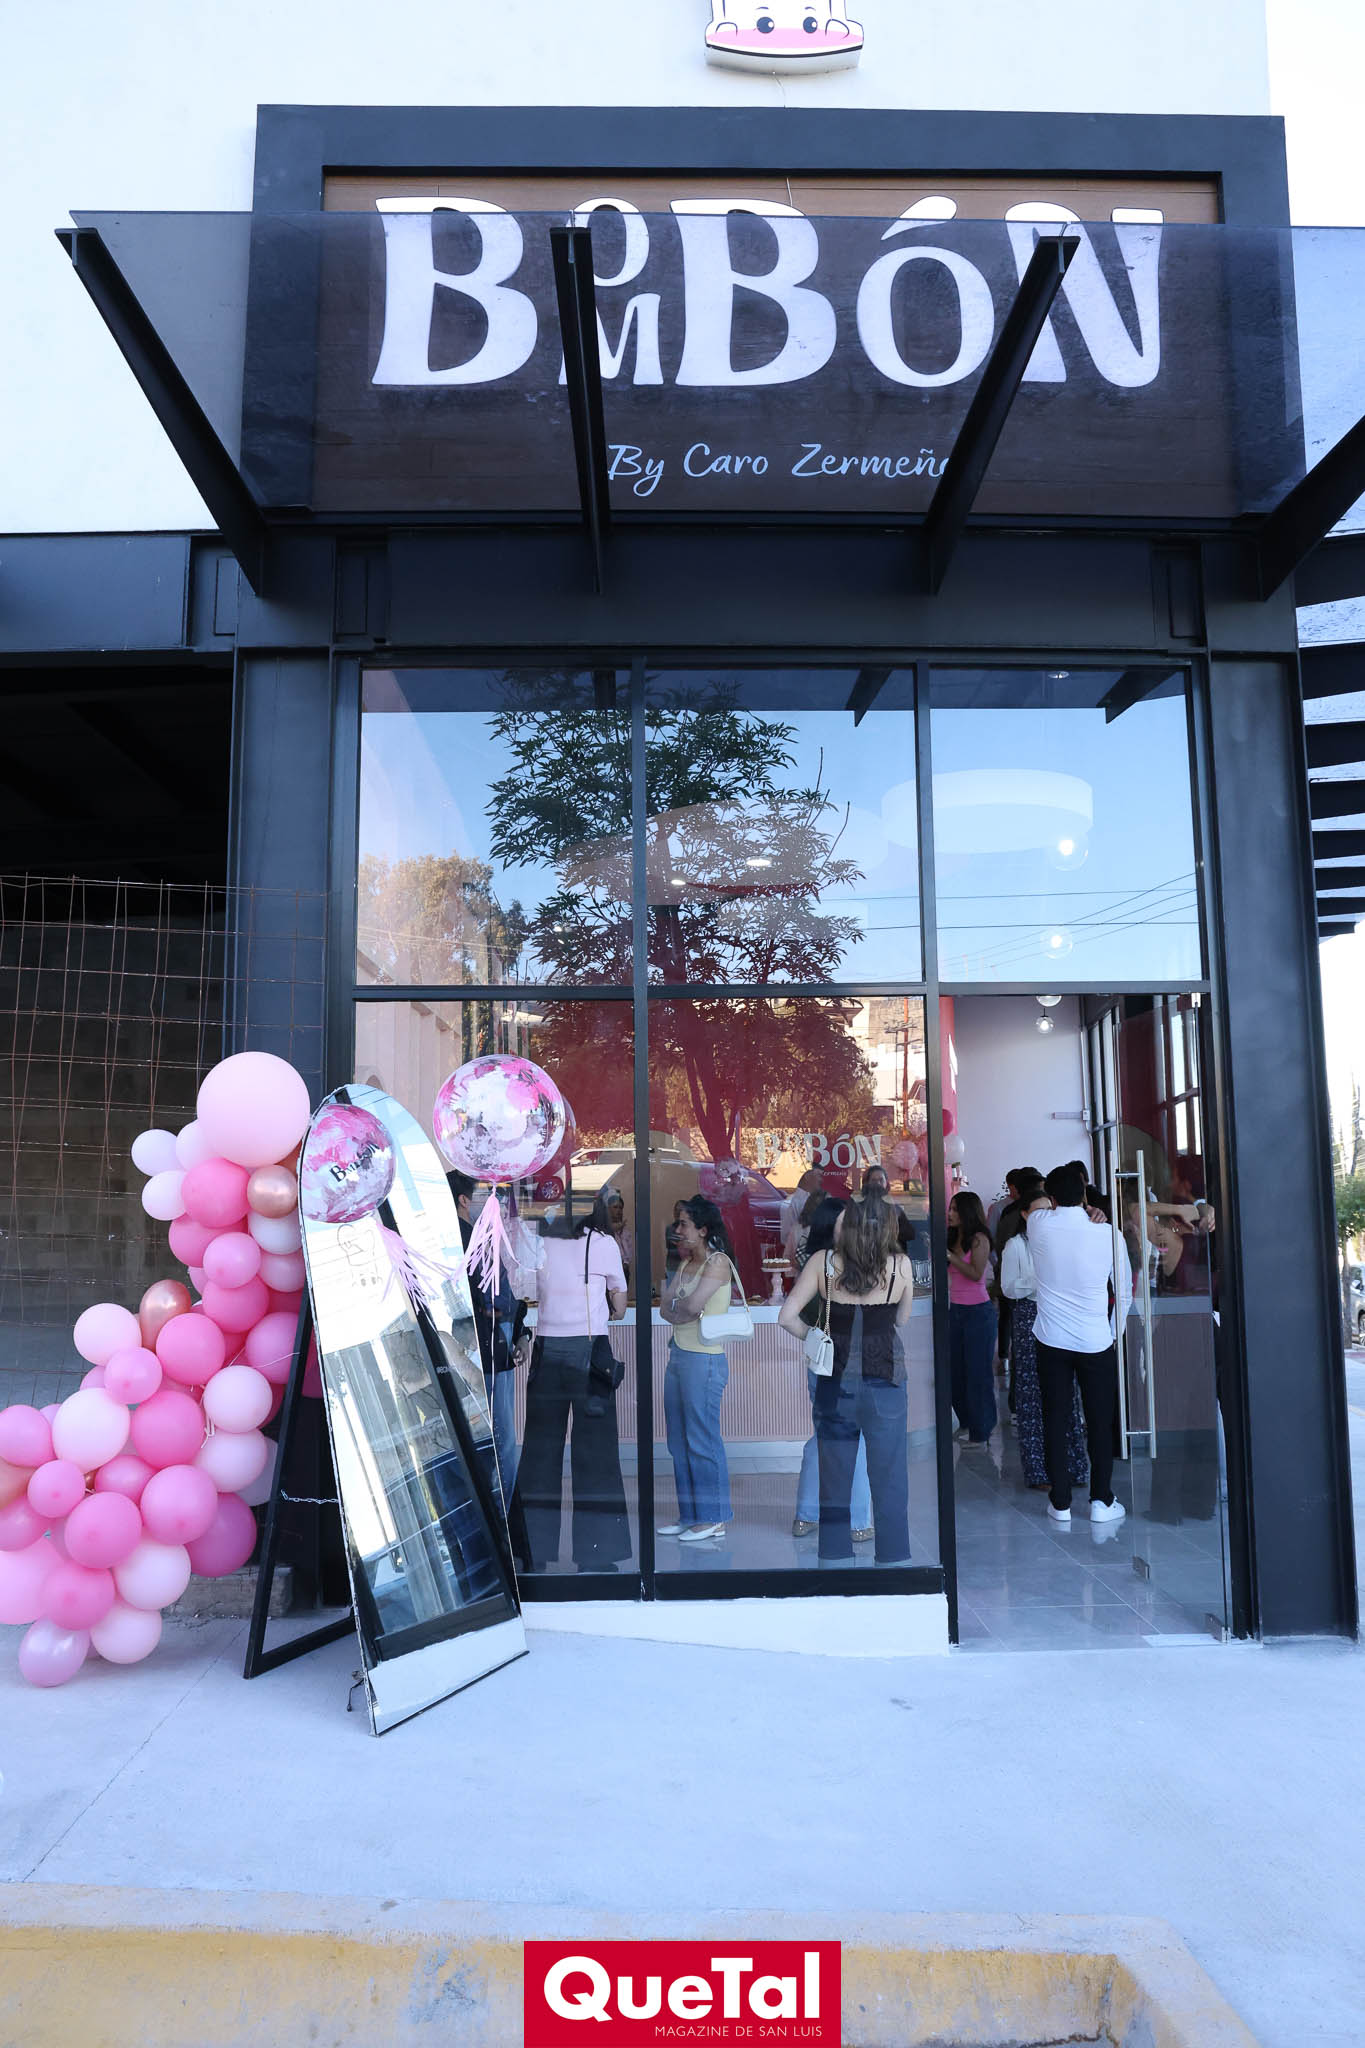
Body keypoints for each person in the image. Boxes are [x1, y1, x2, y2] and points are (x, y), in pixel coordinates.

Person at [778, 1194, 913, 1565]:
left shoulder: (823, 1262)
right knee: (889, 1476)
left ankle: (835, 1559)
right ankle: (894, 1559)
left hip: (834, 1383)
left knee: (834, 1476)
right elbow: (902, 1319)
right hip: (886, 1379)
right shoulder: (900, 1265)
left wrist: (816, 1337)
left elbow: (786, 1317)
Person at [514, 1190, 632, 1572]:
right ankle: (597, 1555)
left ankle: (533, 1553)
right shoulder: (603, 1243)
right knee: (596, 1455)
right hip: (590, 1351)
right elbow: (619, 1304)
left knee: (539, 1454)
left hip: (548, 1350)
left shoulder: (542, 1243)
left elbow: (526, 1290)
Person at [1025, 1161, 1127, 1526]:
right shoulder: (1109, 1233)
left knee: (1055, 1418)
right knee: (1099, 1421)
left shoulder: (1038, 1226)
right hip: (1095, 1340)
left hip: (1051, 1340)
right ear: (1084, 1194)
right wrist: (1111, 1333)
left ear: (1052, 1199)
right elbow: (1124, 1292)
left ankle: (1061, 1503)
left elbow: (1038, 1206)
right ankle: (1101, 1501)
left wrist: (1073, 1205)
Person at [789, 1195, 872, 1543]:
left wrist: (816, 1339)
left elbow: (787, 1317)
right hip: (851, 1363)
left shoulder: (815, 1263)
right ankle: (858, 1520)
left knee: (823, 1437)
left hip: (822, 1362)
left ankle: (806, 1515)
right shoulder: (855, 1263)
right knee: (855, 1439)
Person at [657, 1195, 739, 1543]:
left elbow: (690, 1306)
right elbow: (666, 1308)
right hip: (679, 1355)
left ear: (703, 1229)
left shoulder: (717, 1263)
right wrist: (681, 1309)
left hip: (704, 1359)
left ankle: (713, 1517)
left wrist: (681, 1308)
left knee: (702, 1440)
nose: (678, 1230)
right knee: (679, 1441)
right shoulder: (686, 1263)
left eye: (684, 1224)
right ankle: (691, 1515)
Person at [999, 1180, 1089, 1493]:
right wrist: (1039, 1281)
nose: (1044, 1218)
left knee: (1066, 1394)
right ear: (1024, 1215)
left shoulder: (1062, 1241)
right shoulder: (1016, 1246)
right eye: (1037, 1212)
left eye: (1048, 1211)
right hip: (1029, 1320)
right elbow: (1008, 1288)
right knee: (1032, 1397)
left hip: (1060, 1318)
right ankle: (1039, 1471)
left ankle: (1073, 1467)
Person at [446, 1170, 523, 1498]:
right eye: (482, 1197)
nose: (490, 1204)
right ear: (464, 1201)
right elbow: (493, 1299)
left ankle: (497, 1506)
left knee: (491, 1431)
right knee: (500, 1434)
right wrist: (514, 1329)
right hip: (488, 1341)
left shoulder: (467, 1238)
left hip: (485, 1340)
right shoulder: (468, 1241)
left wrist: (519, 1331)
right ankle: (504, 1511)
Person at [946, 1190, 996, 1446]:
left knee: (978, 1374)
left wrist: (950, 1256)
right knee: (955, 1373)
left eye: (955, 1209)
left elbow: (976, 1274)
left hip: (978, 1313)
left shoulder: (979, 1239)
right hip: (955, 1311)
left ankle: (981, 1429)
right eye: (950, 1208)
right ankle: (967, 1422)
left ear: (967, 1212)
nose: (950, 1213)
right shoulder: (952, 1236)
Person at [861, 1163, 919, 1253]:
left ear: (886, 1184)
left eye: (881, 1180)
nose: (878, 1184)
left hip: (892, 1256)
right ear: (867, 1183)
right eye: (873, 1180)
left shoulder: (894, 1207)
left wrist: (889, 1230)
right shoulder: (860, 1207)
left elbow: (910, 1234)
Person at [781, 1169, 824, 1266]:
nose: (823, 1179)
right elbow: (785, 1237)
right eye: (819, 1175)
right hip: (799, 1262)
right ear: (808, 1177)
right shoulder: (792, 1203)